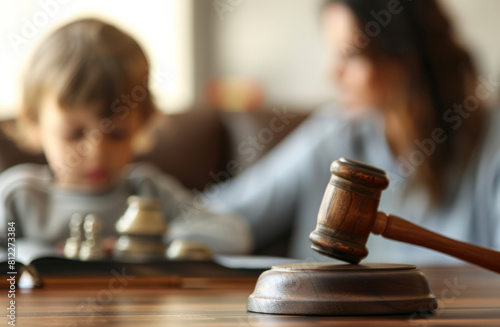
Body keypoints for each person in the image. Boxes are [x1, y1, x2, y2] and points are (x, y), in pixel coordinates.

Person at [207, 0, 500, 264]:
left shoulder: (491, 144)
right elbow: (222, 215)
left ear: (406, 56)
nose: (331, 74)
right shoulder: (331, 136)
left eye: (352, 55)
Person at [0, 18, 253, 256]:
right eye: (74, 134)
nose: (96, 152)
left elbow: (234, 235)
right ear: (35, 123)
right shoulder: (19, 198)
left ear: (140, 126)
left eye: (117, 134)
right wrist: (26, 252)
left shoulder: (147, 191)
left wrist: (154, 243)